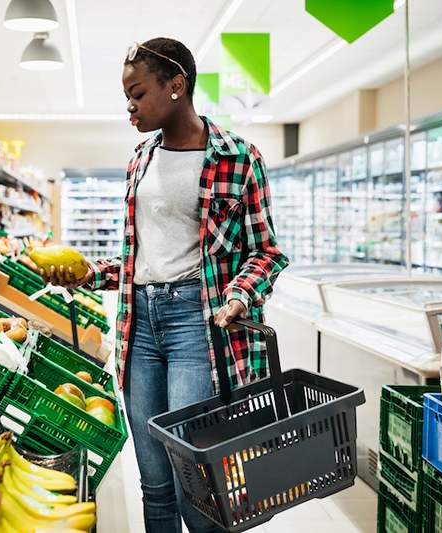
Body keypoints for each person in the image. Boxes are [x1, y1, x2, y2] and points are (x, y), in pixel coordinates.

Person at [41, 37, 288, 533]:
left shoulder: (238, 157)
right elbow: (142, 257)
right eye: (126, 97)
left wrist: (239, 294)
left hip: (198, 325)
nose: (129, 106)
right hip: (140, 326)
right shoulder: (140, 159)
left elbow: (268, 252)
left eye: (137, 93)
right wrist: (93, 274)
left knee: (193, 482)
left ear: (177, 86)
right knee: (153, 482)